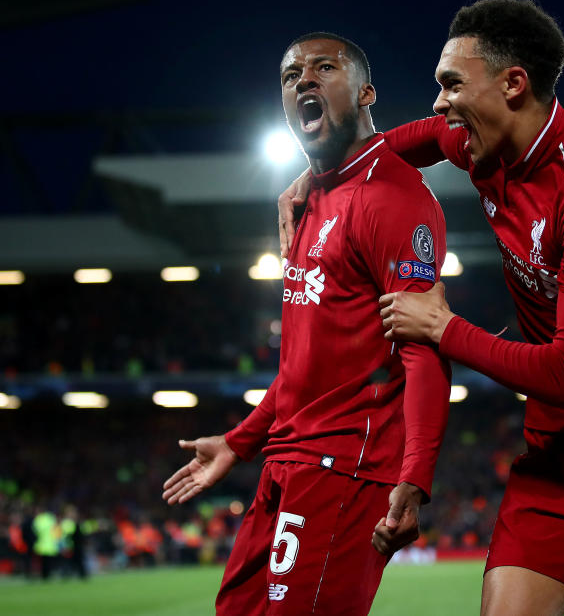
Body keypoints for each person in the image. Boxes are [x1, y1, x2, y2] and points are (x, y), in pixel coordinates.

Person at [278, 0, 564, 616]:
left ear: (513, 84)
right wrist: (323, 177)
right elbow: (414, 140)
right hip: (560, 446)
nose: (439, 103)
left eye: (452, 84)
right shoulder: (482, 146)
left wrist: (443, 327)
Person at [163, 32, 452, 616]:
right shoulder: (307, 204)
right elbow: (303, 370)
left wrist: (416, 477)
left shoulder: (393, 199)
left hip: (344, 466)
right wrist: (239, 443)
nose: (304, 81)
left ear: (367, 91)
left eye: (324, 68)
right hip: (284, 462)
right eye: (292, 76)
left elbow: (426, 349)